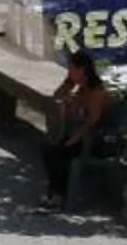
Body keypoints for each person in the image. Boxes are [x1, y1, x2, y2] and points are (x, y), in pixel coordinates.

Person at [42, 47, 114, 207]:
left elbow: (93, 120)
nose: (69, 72)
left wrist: (75, 138)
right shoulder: (80, 88)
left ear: (82, 69)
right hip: (77, 134)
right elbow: (57, 96)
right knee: (49, 149)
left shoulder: (96, 91)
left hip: (94, 139)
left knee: (61, 153)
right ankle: (55, 192)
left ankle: (58, 195)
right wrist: (67, 83)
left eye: (71, 69)